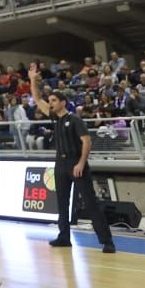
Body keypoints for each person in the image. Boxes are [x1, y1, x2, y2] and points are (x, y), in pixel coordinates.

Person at [28, 64, 116, 253]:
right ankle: (64, 237)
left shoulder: (75, 119)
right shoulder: (55, 118)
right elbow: (36, 99)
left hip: (76, 163)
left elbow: (87, 141)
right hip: (60, 163)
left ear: (62, 102)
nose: (49, 103)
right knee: (61, 202)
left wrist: (81, 163)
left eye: (53, 100)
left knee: (91, 203)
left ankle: (107, 241)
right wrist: (32, 80)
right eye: (49, 100)